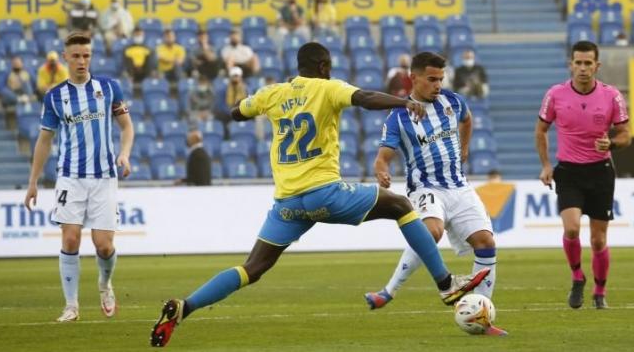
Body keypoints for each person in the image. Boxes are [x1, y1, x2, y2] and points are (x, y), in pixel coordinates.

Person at [150, 42, 490, 347]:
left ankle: (185, 307)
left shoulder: (274, 93)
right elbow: (366, 99)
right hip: (324, 193)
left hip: (286, 204)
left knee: (252, 268)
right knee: (401, 205)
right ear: (325, 68)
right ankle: (446, 284)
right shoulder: (329, 89)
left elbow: (236, 112)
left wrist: (246, 102)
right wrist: (405, 101)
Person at [363, 52, 506, 336]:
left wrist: (465, 148)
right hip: (425, 187)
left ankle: (482, 315)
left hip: (458, 185)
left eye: (441, 78)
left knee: (486, 241)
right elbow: (383, 157)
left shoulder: (452, 101)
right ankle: (388, 292)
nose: (438, 84)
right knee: (431, 232)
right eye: (431, 79)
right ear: (413, 78)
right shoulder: (398, 117)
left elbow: (467, 120)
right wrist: (381, 171)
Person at [24, 31, 135, 323]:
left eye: (86, 55)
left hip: (104, 177)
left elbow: (126, 127)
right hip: (70, 177)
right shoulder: (54, 97)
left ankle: (105, 283)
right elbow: (44, 141)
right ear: (65, 58)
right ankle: (71, 306)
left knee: (104, 245)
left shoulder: (109, 88)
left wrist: (124, 153)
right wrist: (33, 182)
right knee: (71, 238)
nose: (82, 61)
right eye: (76, 56)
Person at [535, 40, 631, 310]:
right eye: (578, 62)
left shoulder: (612, 96)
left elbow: (626, 134)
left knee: (598, 240)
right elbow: (540, 130)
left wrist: (611, 143)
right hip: (568, 172)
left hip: (600, 172)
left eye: (588, 63)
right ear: (571, 64)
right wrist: (545, 166)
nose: (583, 68)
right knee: (572, 227)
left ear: (597, 65)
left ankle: (599, 292)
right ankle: (577, 276)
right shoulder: (555, 94)